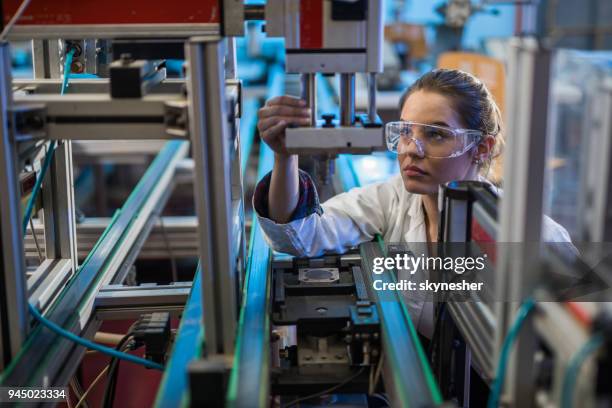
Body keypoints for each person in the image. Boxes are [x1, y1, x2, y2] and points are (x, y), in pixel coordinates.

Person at [253, 69, 571, 336]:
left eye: (435, 135)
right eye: (405, 132)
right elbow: (300, 235)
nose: (411, 150)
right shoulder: (393, 199)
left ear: (482, 147)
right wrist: (285, 156)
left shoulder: (539, 239)